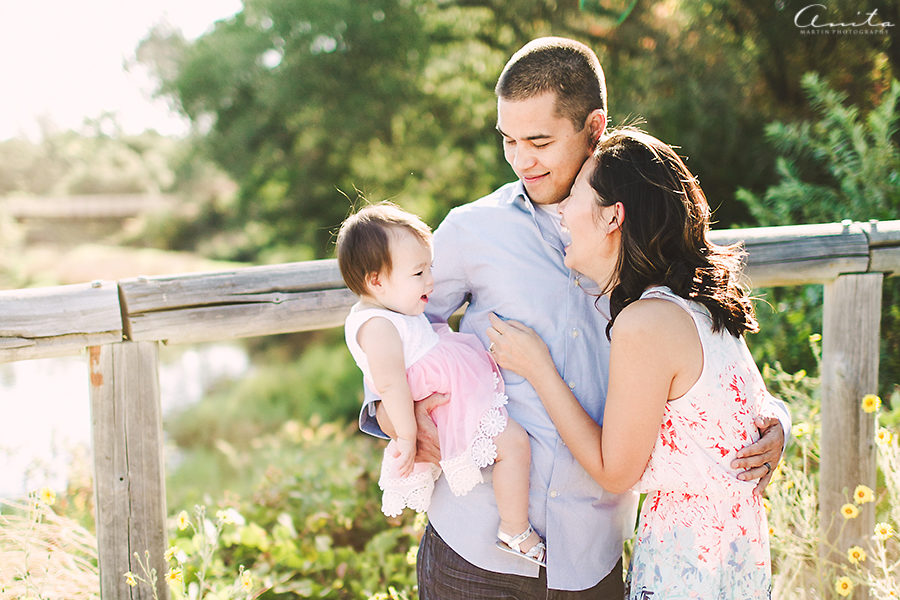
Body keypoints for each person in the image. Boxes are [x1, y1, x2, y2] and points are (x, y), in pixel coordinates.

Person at [359, 37, 790, 598]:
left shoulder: (645, 237)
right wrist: (398, 415)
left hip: (591, 554)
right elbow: (390, 323)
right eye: (508, 140)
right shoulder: (471, 230)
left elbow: (710, 351)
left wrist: (773, 421)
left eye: (539, 141)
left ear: (593, 127)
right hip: (473, 543)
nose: (521, 160)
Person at [487, 127, 776, 598]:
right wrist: (780, 423)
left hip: (688, 561)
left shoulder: (646, 322)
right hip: (734, 551)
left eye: (576, 195)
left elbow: (615, 471)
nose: (562, 210)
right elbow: (754, 407)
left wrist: (538, 369)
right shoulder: (696, 303)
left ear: (612, 216)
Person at [337, 202, 546, 566]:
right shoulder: (377, 326)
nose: (430, 281)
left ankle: (512, 527)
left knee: (511, 445)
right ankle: (514, 529)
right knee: (513, 445)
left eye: (429, 268)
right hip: (447, 403)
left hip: (449, 391)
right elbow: (390, 385)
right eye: (418, 273)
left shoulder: (391, 311)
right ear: (376, 281)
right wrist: (407, 436)